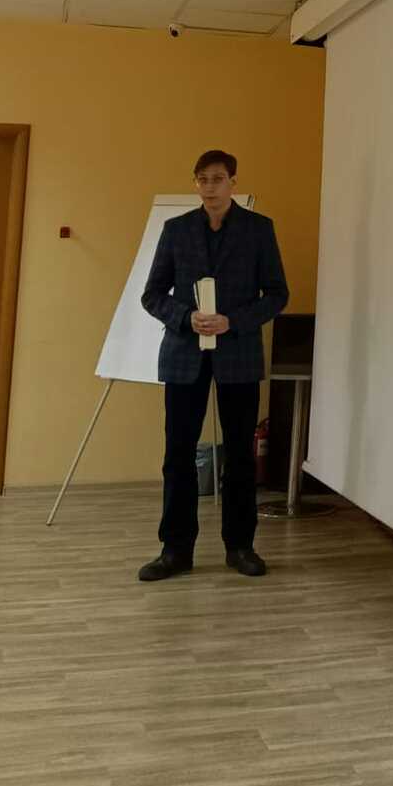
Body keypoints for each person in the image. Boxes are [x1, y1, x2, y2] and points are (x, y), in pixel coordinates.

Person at [137, 150, 289, 582]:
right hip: (184, 356)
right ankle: (175, 549)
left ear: (233, 183)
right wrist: (186, 317)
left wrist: (232, 321)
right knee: (177, 455)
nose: (209, 187)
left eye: (218, 179)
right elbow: (152, 295)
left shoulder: (259, 230)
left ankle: (240, 546)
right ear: (195, 183)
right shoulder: (177, 230)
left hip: (238, 355)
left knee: (240, 455)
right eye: (202, 179)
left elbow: (277, 294)